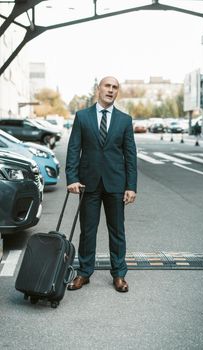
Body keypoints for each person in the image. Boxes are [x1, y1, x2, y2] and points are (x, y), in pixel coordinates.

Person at [65, 76, 137, 293]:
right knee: (87, 231)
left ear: (117, 92)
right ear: (99, 89)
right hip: (88, 184)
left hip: (116, 184)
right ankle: (84, 273)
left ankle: (119, 275)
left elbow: (130, 155)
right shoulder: (82, 117)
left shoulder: (124, 120)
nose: (111, 90)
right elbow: (73, 149)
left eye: (115, 87)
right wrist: (72, 179)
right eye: (107, 86)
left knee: (117, 231)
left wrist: (131, 186)